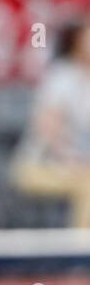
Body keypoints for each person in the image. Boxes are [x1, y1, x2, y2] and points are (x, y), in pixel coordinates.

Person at [11, 20, 90, 227]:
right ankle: (81, 252)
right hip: (39, 165)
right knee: (88, 184)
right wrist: (72, 159)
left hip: (80, 164)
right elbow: (49, 130)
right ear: (77, 42)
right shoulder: (60, 77)